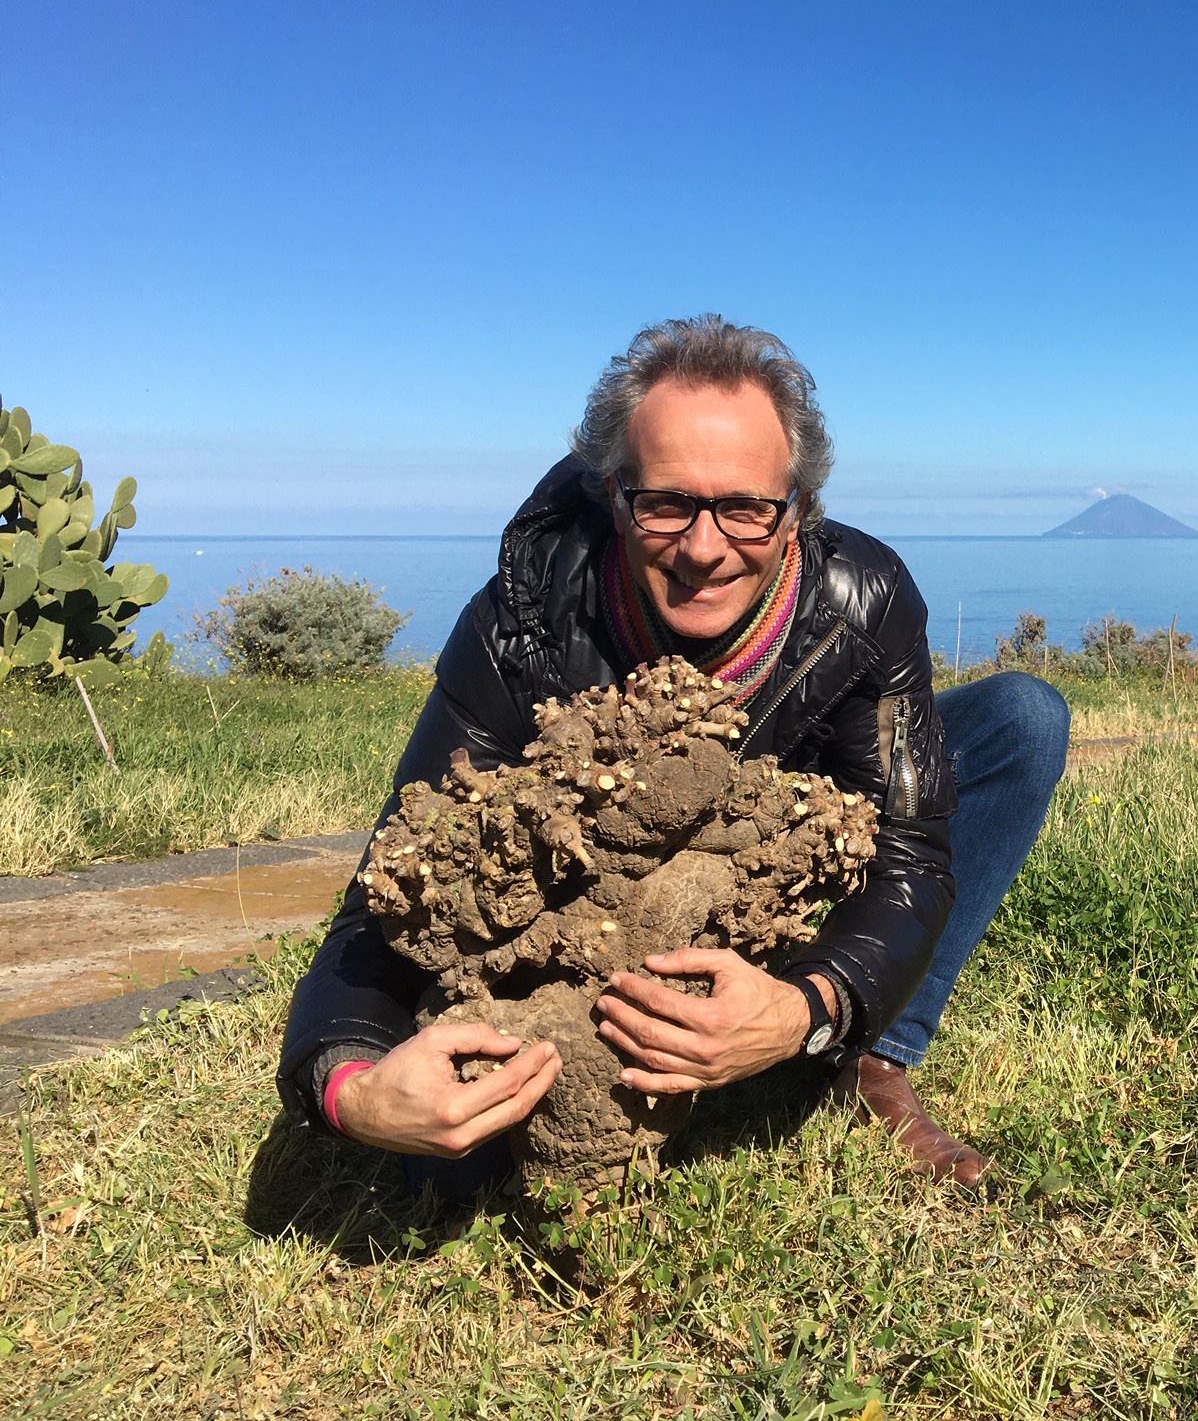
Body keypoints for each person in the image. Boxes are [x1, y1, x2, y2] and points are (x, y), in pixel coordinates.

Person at [276, 315, 1069, 1192]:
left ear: (799, 511)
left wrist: (810, 1009)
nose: (703, 547)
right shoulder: (521, 624)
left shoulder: (865, 598)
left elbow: (913, 853)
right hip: (614, 901)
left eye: (746, 508)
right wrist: (350, 1089)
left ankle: (872, 1057)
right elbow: (393, 889)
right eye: (666, 503)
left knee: (1022, 718)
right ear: (615, 493)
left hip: (778, 841)